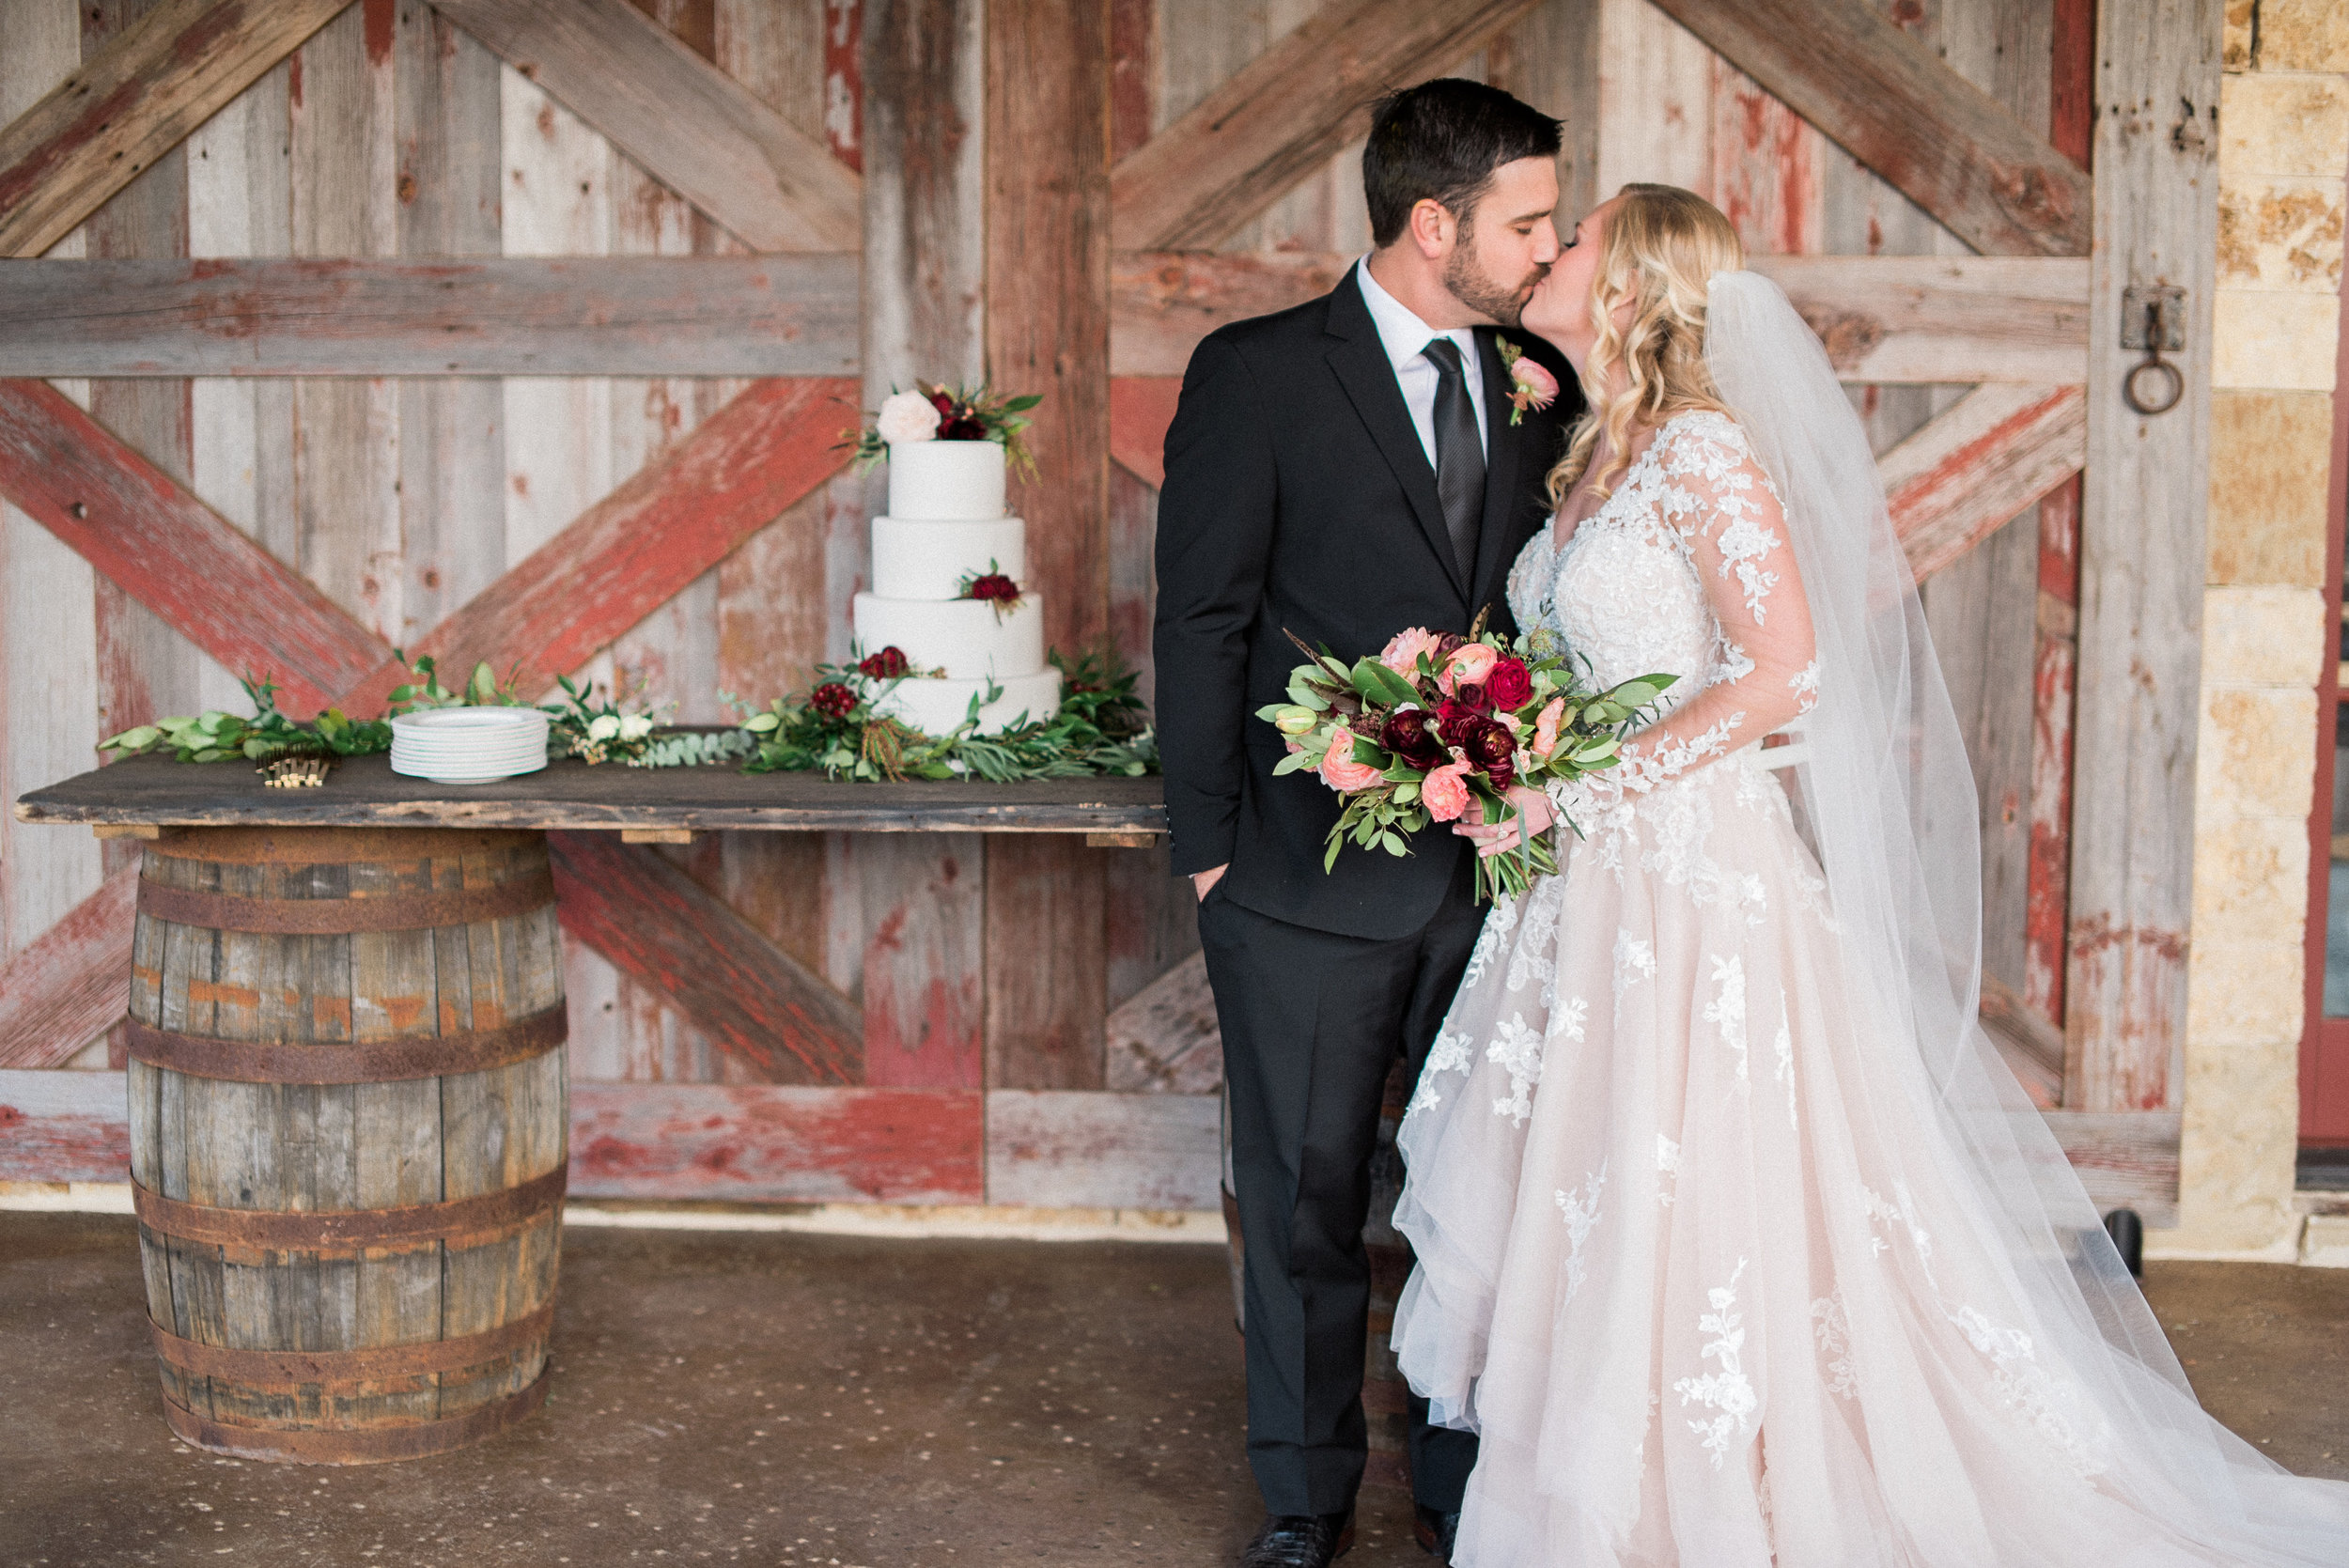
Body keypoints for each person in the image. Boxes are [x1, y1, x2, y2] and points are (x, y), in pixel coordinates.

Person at [1391, 182, 2349, 1565]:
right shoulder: (1597, 452)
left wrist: (1574, 786)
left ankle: (1725, 1500)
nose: (1550, 248)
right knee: (1597, 1194)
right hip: (1588, 888)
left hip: (1687, 886)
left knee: (1697, 1186)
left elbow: (1786, 673)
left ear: (1634, 283)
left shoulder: (1702, 454)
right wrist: (1497, 747)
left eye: (1578, 233)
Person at [1154, 78, 1581, 1568]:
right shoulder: (1259, 373)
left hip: (1503, 878)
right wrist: (1211, 853)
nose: (1553, 246)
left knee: (1486, 1200)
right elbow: (1201, 619)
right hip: (1295, 883)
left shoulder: (1547, 381)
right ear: (1431, 223)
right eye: (1530, 220)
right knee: (1304, 1200)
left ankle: (1466, 1487)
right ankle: (1304, 1496)